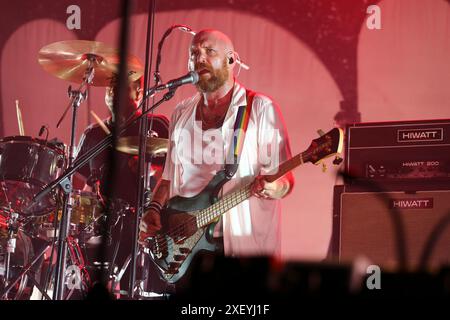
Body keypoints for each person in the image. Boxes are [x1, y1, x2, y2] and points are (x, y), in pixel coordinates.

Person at [139, 29, 294, 258]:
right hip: (185, 251)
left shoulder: (260, 109)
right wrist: (153, 208)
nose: (199, 58)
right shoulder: (181, 112)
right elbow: (168, 178)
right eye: (193, 53)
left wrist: (274, 187)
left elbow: (285, 180)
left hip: (241, 248)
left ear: (231, 59)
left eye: (209, 51)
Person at [75, 74, 170, 295]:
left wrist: (148, 168)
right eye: (110, 86)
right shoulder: (93, 133)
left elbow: (175, 172)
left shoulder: (156, 124)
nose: (112, 91)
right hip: (102, 221)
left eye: (120, 86)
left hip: (142, 220)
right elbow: (84, 186)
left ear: (138, 92)